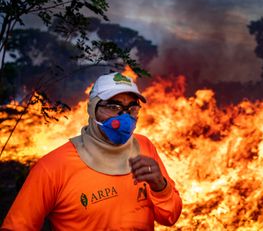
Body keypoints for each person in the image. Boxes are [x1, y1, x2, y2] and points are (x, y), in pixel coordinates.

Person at [1, 72, 182, 230]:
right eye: (113, 107)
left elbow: (170, 216)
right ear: (92, 110)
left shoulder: (144, 147)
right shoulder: (52, 167)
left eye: (132, 108)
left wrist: (161, 186)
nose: (125, 117)